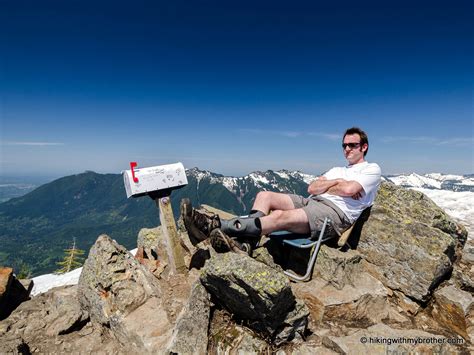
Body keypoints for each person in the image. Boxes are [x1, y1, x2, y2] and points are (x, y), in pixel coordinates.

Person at [181, 127, 381, 254]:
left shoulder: (372, 169)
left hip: (334, 214)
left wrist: (329, 185)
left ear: (364, 147)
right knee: (264, 195)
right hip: (313, 201)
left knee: (279, 216)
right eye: (344, 145)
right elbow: (312, 187)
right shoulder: (338, 170)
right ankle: (246, 245)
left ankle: (212, 226)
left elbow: (350, 189)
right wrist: (337, 181)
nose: (347, 149)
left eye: (352, 145)